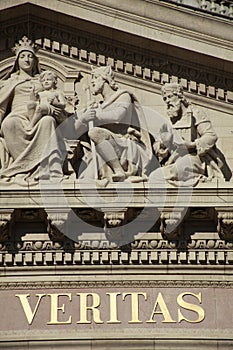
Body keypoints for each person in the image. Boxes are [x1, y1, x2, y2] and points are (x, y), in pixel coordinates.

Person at [0, 36, 65, 183]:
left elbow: (56, 103)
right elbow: (2, 107)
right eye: (23, 56)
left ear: (35, 61)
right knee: (8, 124)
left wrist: (51, 109)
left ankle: (47, 167)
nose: (27, 59)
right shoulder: (11, 81)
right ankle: (22, 167)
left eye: (30, 56)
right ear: (17, 61)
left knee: (48, 121)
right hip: (17, 114)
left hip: (40, 114)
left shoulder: (42, 81)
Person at [74, 65, 153, 182]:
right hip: (105, 145)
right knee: (86, 178)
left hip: (122, 143)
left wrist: (96, 115)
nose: (92, 81)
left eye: (95, 78)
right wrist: (84, 118)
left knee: (95, 132)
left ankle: (119, 170)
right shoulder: (97, 105)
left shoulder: (123, 96)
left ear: (104, 79)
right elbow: (74, 131)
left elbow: (118, 116)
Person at [150, 83, 226, 186]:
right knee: (155, 176)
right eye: (165, 99)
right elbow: (158, 147)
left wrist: (191, 145)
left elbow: (211, 136)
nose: (167, 101)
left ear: (180, 97)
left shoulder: (195, 114)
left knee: (173, 172)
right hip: (174, 160)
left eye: (170, 97)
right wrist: (163, 144)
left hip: (195, 158)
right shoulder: (169, 120)